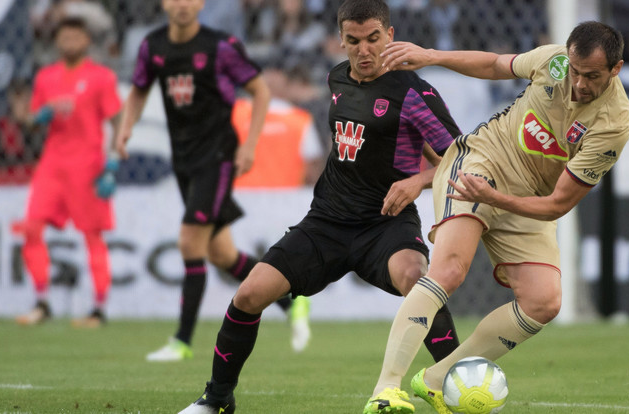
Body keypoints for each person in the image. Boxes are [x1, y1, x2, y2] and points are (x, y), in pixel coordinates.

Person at [178, 0, 463, 412]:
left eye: (373, 39)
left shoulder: (416, 93)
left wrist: (418, 180)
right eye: (353, 40)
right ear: (340, 40)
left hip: (385, 224)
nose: (364, 50)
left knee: (418, 280)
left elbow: (460, 157)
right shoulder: (336, 79)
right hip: (326, 222)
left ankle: (454, 387)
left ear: (391, 36)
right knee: (248, 295)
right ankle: (216, 399)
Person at [364, 21, 629, 413]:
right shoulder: (554, 61)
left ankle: (437, 379)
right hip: (482, 163)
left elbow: (558, 205)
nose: (578, 83)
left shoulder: (613, 124)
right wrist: (432, 57)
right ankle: (386, 389)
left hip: (526, 198)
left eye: (591, 76)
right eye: (575, 71)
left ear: (616, 69)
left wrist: (496, 199)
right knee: (449, 271)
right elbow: (493, 64)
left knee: (544, 302)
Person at [115, 0, 309, 362]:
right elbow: (139, 88)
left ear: (202, 3)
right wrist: (125, 128)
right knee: (221, 254)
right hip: (184, 161)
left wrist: (249, 146)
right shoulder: (152, 46)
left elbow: (260, 91)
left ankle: (182, 342)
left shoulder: (220, 46)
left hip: (217, 158)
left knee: (190, 242)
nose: (183, 4)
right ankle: (290, 301)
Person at [14, 17, 122, 328]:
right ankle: (41, 302)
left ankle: (98, 309)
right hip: (51, 164)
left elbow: (117, 121)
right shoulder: (46, 77)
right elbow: (31, 120)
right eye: (65, 37)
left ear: (87, 41)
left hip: (87, 166)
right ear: (56, 41)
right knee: (32, 227)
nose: (70, 42)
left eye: (76, 36)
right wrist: (42, 114)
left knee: (92, 235)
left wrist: (112, 164)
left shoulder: (101, 77)